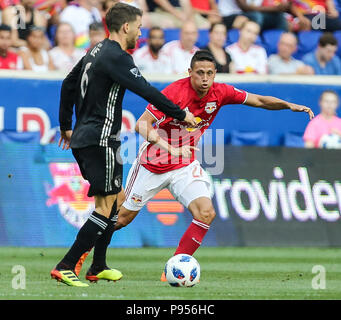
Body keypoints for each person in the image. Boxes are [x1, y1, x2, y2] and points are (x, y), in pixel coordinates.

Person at [73, 50, 313, 282]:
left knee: (206, 213)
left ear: (216, 74)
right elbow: (142, 125)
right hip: (151, 165)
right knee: (121, 218)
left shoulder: (221, 92)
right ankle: (80, 256)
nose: (205, 78)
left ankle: (175, 267)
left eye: (210, 73)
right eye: (200, 73)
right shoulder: (174, 93)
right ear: (190, 72)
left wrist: (288, 105)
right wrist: (170, 148)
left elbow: (259, 100)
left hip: (185, 165)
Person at [50, 2, 197, 287]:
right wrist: (181, 114)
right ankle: (66, 265)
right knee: (105, 207)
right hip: (100, 139)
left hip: (88, 137)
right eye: (139, 27)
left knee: (115, 201)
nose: (141, 33)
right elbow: (147, 90)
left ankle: (98, 265)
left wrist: (66, 126)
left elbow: (68, 82)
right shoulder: (117, 57)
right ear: (126, 26)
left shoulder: (95, 51)